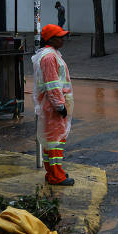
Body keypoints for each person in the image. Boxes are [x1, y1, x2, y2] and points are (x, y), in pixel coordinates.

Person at [32, 24, 74, 186]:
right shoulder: (50, 57)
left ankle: (53, 172)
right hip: (53, 106)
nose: (63, 39)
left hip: (52, 104)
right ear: (51, 39)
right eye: (60, 37)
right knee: (55, 142)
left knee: (52, 142)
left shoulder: (50, 54)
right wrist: (60, 106)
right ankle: (56, 176)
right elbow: (52, 85)